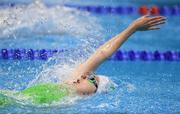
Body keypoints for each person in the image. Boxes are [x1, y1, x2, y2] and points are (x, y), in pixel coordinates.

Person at [0, 15, 166, 105]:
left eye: (93, 80)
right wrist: (132, 28)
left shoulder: (69, 98)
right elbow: (103, 52)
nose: (87, 76)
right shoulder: (72, 83)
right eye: (93, 77)